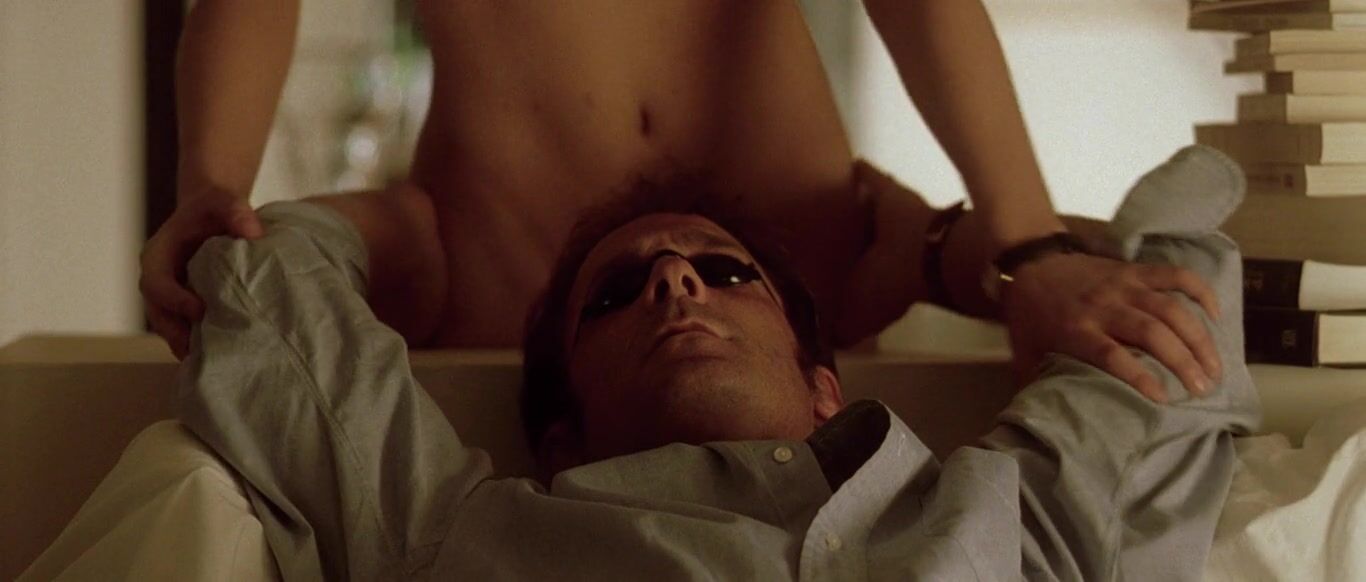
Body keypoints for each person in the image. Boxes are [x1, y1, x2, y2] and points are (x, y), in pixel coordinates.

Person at [21, 146, 1255, 579]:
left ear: (826, 386)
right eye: (617, 292)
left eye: (724, 272)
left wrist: (1017, 259)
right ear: (557, 431)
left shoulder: (1003, 512)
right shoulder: (458, 531)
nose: (674, 282)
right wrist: (411, 223)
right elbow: (267, 282)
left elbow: (1171, 323)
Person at [141, 0, 1224, 403]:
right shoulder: (433, 256)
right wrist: (211, 196)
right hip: (496, 265)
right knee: (249, 273)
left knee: (1115, 277)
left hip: (799, 254)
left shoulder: (852, 255)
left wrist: (1033, 249)